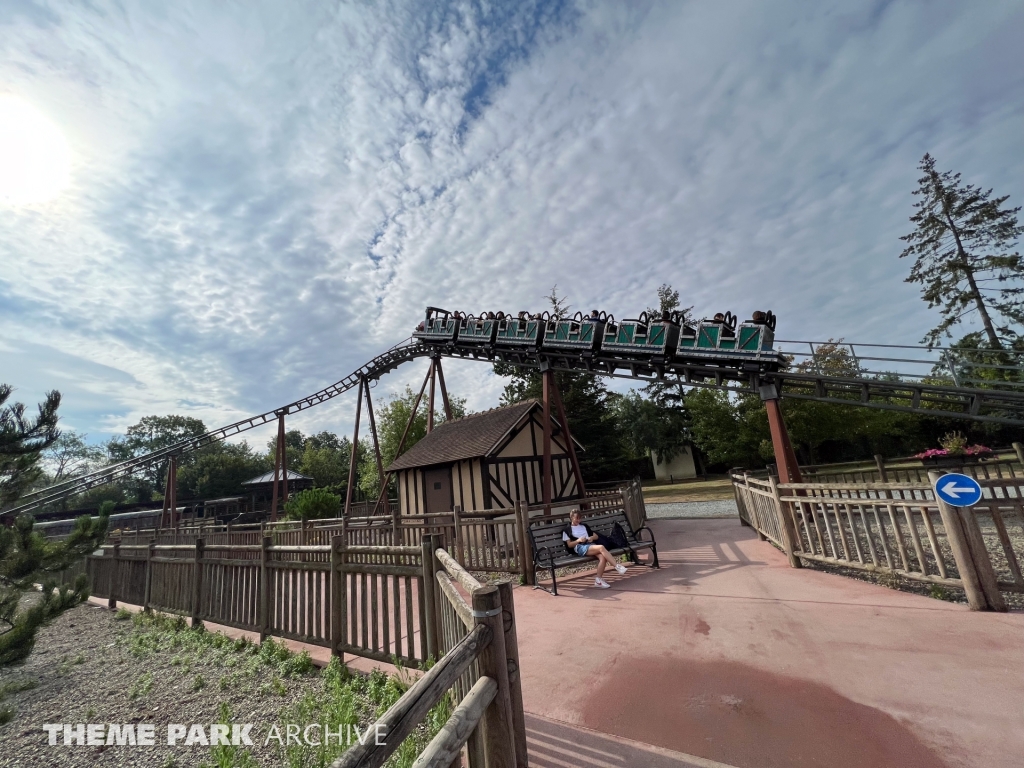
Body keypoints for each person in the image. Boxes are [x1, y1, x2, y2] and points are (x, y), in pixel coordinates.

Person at [562, 510, 627, 588]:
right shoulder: (567, 530)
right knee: (601, 547)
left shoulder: (584, 526)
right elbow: (569, 545)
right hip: (580, 547)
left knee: (603, 558)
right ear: (571, 517)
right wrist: (578, 540)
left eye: (580, 518)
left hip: (590, 544)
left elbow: (596, 536)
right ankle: (617, 566)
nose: (579, 520)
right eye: (577, 518)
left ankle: (598, 581)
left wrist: (591, 538)